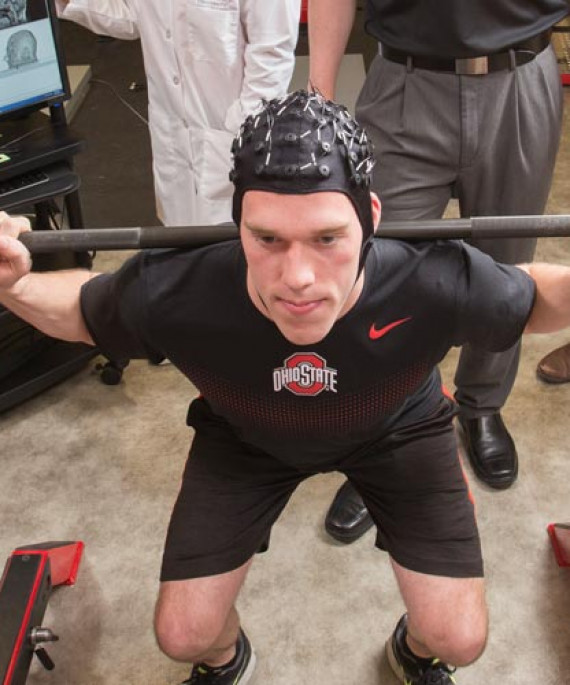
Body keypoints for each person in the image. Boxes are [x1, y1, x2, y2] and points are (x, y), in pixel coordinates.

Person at [1, 90, 570, 685]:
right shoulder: (182, 287)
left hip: (398, 431)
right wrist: (13, 285)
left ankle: (415, 653)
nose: (298, 278)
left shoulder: (429, 279)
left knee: (460, 637)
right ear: (237, 225)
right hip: (246, 439)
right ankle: (226, 660)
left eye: (327, 239)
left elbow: (532, 297)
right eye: (267, 239)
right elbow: (80, 310)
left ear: (370, 218)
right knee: (184, 634)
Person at [308, 0, 569, 542]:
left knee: (508, 267)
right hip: (405, 81)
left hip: (521, 79)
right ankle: (388, 436)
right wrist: (319, 97)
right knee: (378, 274)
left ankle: (481, 406)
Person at [55, 0, 300, 226]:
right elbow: (134, 14)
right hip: (172, 143)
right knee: (180, 251)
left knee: (235, 252)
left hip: (231, 143)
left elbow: (271, 60)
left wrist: (237, 135)